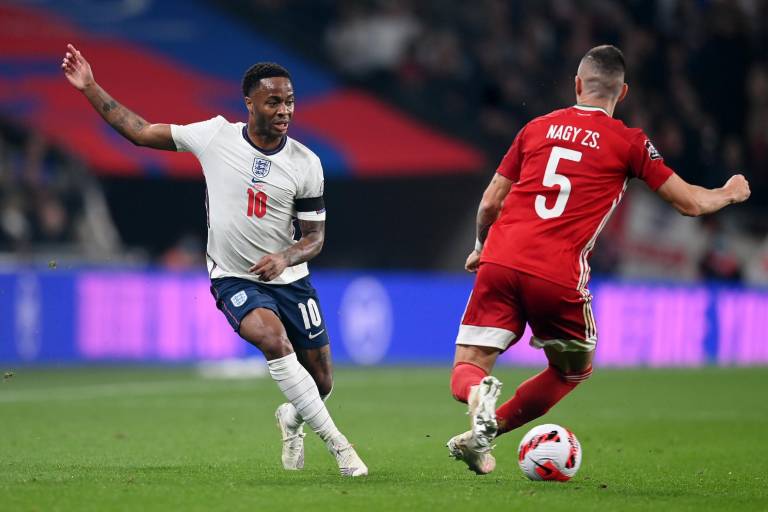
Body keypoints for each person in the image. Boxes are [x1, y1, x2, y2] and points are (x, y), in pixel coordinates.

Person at [61, 44, 368, 477]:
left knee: (321, 384)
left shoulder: (306, 163)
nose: (285, 110)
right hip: (234, 278)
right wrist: (90, 86)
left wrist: (284, 255)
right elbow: (139, 131)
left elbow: (315, 238)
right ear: (250, 103)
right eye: (274, 101)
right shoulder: (214, 136)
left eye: (290, 101)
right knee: (274, 342)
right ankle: (341, 446)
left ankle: (291, 418)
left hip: (291, 278)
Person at [446, 45, 750, 476]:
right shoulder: (629, 142)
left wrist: (480, 246)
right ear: (622, 92)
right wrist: (729, 192)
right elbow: (690, 204)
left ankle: (479, 403)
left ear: (576, 85)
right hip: (556, 274)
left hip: (500, 259)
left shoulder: (536, 127)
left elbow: (491, 200)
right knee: (571, 371)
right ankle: (490, 430)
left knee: (470, 364)